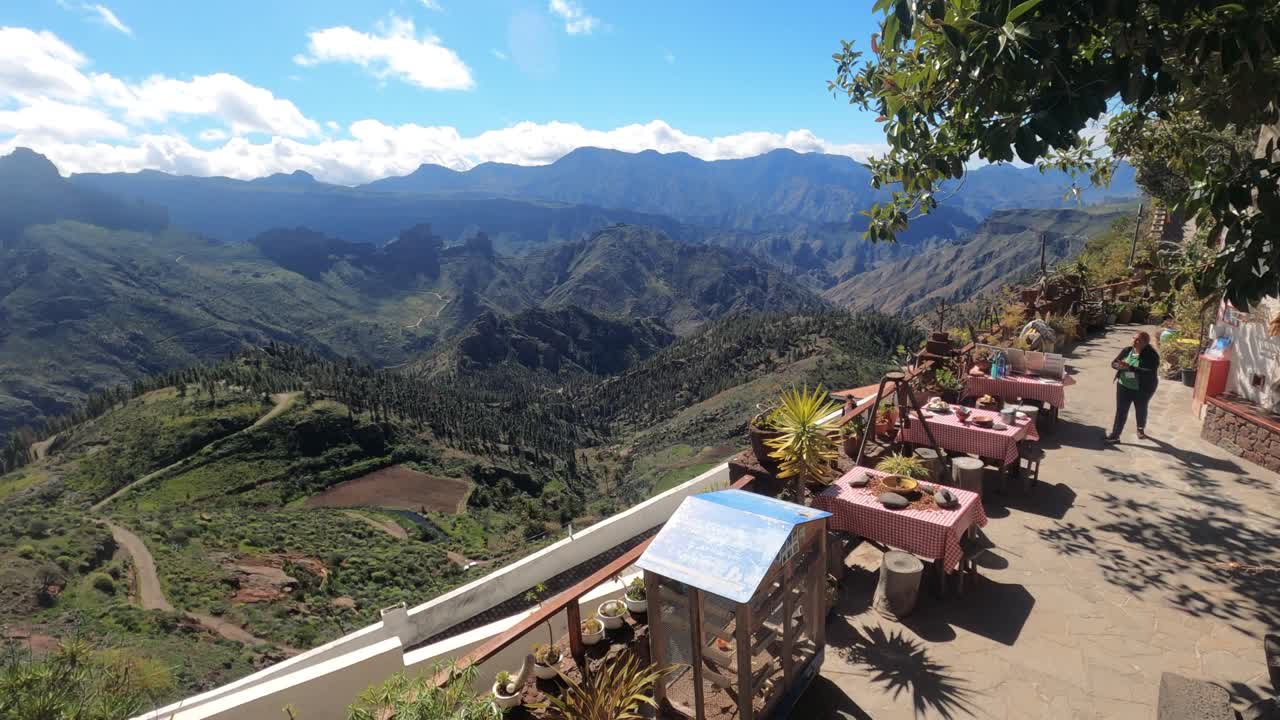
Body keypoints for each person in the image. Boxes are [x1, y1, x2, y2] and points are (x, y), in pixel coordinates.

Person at [1105, 331, 1160, 442]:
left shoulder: (1152, 355)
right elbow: (1114, 363)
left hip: (1143, 388)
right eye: (1133, 338)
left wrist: (1130, 367)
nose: (1134, 341)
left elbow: (1149, 372)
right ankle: (1115, 435)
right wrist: (1118, 365)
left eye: (1138, 340)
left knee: (1140, 408)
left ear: (1146, 343)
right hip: (1124, 385)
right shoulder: (1127, 350)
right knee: (1121, 410)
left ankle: (1140, 428)